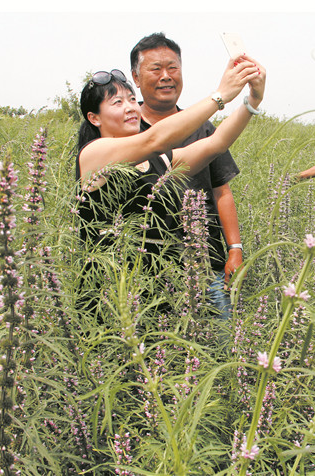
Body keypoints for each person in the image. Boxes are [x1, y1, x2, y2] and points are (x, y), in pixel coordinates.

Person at [76, 58, 265, 321]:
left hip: (156, 294)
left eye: (132, 99)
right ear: (93, 118)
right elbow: (155, 138)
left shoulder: (153, 161)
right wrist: (220, 96)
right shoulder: (93, 155)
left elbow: (216, 144)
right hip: (112, 297)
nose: (130, 107)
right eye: (117, 103)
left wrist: (252, 100)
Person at [130, 33, 250, 320]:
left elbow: (222, 191)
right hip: (147, 270)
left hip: (207, 262)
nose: (166, 76)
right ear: (136, 77)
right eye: (155, 69)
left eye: (173, 68)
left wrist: (235, 248)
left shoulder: (203, 126)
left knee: (223, 343)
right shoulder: (128, 131)